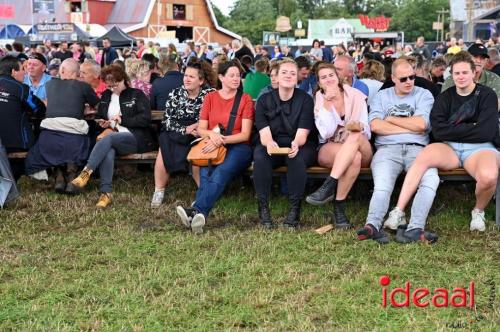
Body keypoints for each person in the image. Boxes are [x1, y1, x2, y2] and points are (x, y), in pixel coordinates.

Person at [392, 52, 499, 235]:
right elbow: (438, 130)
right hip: (450, 147)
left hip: (480, 148)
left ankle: (478, 211)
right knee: (424, 156)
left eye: (465, 72)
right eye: (457, 73)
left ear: (474, 73)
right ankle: (398, 211)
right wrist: (472, 127)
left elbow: (486, 131)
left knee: (488, 177)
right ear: (451, 75)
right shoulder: (445, 96)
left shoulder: (487, 95)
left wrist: (454, 128)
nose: (461, 77)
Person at [356, 58, 436, 244]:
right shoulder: (382, 96)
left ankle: (416, 227)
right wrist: (411, 127)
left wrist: (390, 119)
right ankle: (372, 226)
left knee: (430, 180)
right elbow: (375, 125)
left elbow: (423, 124)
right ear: (392, 78)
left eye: (412, 77)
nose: (409, 81)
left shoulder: (424, 94)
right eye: (403, 79)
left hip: (418, 150)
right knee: (383, 185)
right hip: (387, 149)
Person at [175, 60, 254, 234]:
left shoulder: (245, 99)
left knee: (221, 171)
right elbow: (202, 129)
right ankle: (198, 218)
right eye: (232, 75)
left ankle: (196, 210)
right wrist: (213, 136)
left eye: (238, 76)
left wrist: (220, 140)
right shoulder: (210, 97)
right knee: (206, 173)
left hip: (239, 146)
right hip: (213, 142)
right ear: (221, 77)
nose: (236, 79)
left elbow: (245, 134)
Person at [70, 64, 154, 207]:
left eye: (115, 85)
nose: (112, 89)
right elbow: (101, 115)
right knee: (108, 150)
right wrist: (103, 122)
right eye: (109, 86)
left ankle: (86, 172)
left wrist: (123, 120)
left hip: (135, 137)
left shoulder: (136, 94)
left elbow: (145, 119)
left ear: (123, 80)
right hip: (114, 136)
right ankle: (106, 193)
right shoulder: (106, 95)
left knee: (108, 139)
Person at [305, 63, 372, 228]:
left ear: (337, 77)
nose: (328, 79)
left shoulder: (356, 95)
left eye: (330, 75)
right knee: (353, 158)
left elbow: (367, 130)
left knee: (356, 136)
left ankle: (329, 185)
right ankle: (338, 207)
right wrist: (327, 104)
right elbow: (326, 133)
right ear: (319, 83)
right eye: (323, 77)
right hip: (332, 146)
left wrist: (357, 127)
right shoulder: (319, 99)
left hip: (361, 145)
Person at [253, 58, 317, 228]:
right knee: (260, 156)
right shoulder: (264, 100)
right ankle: (263, 208)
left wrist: (295, 143)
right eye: (284, 72)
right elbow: (264, 134)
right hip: (272, 142)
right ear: (276, 77)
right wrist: (269, 144)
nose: (288, 76)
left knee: (296, 158)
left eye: (292, 73)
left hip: (300, 143)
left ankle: (294, 209)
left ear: (297, 78)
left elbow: (303, 133)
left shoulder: (305, 100)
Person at [25, 59, 100, 193]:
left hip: (48, 137)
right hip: (74, 137)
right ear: (75, 73)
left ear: (62, 71)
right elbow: (98, 106)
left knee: (58, 144)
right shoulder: (83, 86)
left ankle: (59, 176)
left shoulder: (49, 84)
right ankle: (71, 177)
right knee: (78, 140)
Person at [151, 60, 216, 207]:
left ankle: (205, 193)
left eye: (191, 77)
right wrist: (185, 129)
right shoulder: (176, 93)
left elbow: (215, 117)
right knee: (164, 146)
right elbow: (167, 120)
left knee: (198, 154)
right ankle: (159, 190)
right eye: (185, 75)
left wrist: (199, 127)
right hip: (177, 131)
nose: (186, 79)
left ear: (201, 80)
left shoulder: (210, 94)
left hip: (200, 133)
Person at [0, 55, 45, 180]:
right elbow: (38, 109)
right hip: (13, 143)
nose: (25, 73)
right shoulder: (20, 88)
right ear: (14, 72)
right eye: (22, 69)